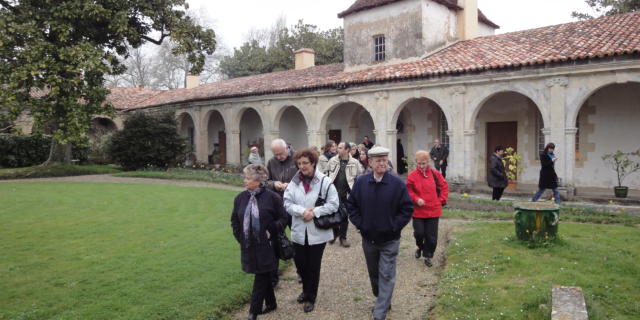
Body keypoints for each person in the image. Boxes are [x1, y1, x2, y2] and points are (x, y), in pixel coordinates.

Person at [347, 146, 414, 320]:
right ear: (370, 162)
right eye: (378, 160)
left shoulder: (397, 183)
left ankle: (380, 312)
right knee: (374, 274)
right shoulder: (361, 182)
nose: (382, 163)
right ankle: (383, 298)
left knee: (386, 273)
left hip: (390, 239)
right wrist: (361, 225)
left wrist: (394, 226)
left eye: (384, 160)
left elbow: (407, 209)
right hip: (368, 239)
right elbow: (351, 205)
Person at [284, 148, 339, 313]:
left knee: (313, 266)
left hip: (317, 233)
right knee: (301, 265)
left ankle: (310, 297)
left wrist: (314, 212)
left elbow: (334, 204)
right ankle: (305, 290)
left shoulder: (324, 181)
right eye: (299, 163)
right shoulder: (294, 182)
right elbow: (286, 203)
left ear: (313, 162)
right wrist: (302, 212)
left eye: (305, 163)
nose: (302, 166)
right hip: (299, 230)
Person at [231, 164, 287, 320]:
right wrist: (241, 238)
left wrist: (272, 229)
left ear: (258, 181)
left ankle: (253, 312)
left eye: (247, 178)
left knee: (261, 275)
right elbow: (235, 221)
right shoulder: (240, 198)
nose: (244, 181)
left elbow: (284, 218)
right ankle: (271, 303)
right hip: (248, 245)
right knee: (262, 272)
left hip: (267, 245)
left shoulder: (272, 198)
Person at [264, 138, 298, 287]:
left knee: (298, 240)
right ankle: (273, 278)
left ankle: (301, 272)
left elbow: (307, 179)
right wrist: (274, 184)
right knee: (275, 241)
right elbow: (266, 181)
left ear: (287, 148)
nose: (279, 157)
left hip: (295, 206)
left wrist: (291, 185)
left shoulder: (298, 159)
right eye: (276, 154)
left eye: (281, 154)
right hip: (277, 206)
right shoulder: (271, 162)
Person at [406, 151, 448, 268]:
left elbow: (444, 186)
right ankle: (420, 246)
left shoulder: (435, 174)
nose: (421, 166)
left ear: (428, 162)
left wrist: (441, 200)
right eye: (419, 164)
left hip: (433, 210)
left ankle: (428, 255)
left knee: (431, 237)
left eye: (423, 163)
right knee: (419, 233)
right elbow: (409, 191)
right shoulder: (412, 176)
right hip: (418, 211)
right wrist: (416, 198)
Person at [325, 141, 364, 247]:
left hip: (347, 194)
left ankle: (343, 238)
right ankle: (335, 232)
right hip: (332, 193)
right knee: (332, 214)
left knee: (344, 216)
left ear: (347, 150)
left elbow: (360, 176)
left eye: (341, 148)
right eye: (338, 147)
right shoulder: (332, 160)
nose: (338, 149)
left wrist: (356, 191)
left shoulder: (355, 162)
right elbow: (325, 173)